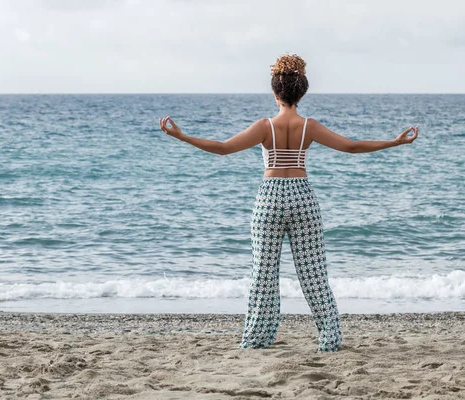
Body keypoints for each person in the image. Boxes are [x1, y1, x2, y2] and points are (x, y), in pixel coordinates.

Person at [158, 53, 418, 352]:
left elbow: (222, 148)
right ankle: (329, 339)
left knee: (263, 273)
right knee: (313, 272)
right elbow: (352, 146)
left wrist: (181, 136)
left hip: (269, 198)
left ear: (274, 92)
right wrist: (395, 142)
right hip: (302, 198)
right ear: (302, 93)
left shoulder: (264, 126)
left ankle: (256, 338)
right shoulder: (310, 126)